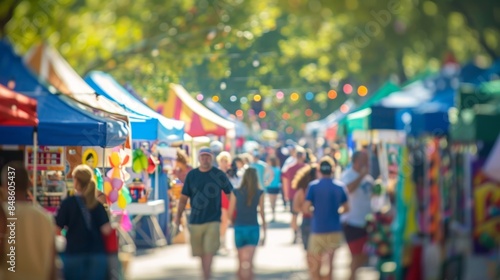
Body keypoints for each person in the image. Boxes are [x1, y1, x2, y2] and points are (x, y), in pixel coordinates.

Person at [174, 147, 233, 280]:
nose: (205, 159)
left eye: (208, 156)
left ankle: (207, 276)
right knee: (200, 253)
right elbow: (183, 199)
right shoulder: (192, 175)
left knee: (210, 251)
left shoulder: (218, 174)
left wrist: (234, 213)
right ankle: (205, 274)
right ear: (199, 158)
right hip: (195, 220)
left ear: (212, 158)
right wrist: (178, 217)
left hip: (213, 219)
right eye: (203, 156)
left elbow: (230, 194)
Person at [0, 161, 57, 280]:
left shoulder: (3, 214)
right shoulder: (45, 217)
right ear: (28, 185)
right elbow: (52, 264)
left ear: (5, 186)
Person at [55, 164, 113, 280]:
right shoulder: (97, 204)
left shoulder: (68, 203)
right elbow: (106, 230)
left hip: (74, 253)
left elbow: (56, 229)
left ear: (76, 181)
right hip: (96, 254)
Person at [303, 157, 349, 280]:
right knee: (331, 264)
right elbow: (347, 208)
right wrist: (336, 212)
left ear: (319, 170)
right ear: (332, 170)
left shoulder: (313, 186)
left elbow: (306, 207)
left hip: (318, 229)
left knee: (316, 264)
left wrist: (315, 212)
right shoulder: (340, 186)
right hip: (334, 228)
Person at [340, 150, 374, 280]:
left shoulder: (368, 178)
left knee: (365, 255)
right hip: (352, 222)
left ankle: (352, 276)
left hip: (366, 222)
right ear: (355, 161)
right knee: (356, 255)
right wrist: (360, 176)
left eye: (367, 160)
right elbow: (347, 190)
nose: (366, 163)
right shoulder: (348, 175)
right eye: (363, 160)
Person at [228, 168, 266, 280]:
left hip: (239, 227)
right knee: (250, 264)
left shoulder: (236, 192)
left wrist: (234, 223)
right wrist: (265, 231)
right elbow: (262, 213)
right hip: (253, 227)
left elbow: (230, 213)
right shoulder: (260, 193)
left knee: (240, 264)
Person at [282, 148, 306, 244]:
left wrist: (286, 194)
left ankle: (295, 234)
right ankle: (302, 233)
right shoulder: (307, 167)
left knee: (294, 215)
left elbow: (285, 181)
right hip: (305, 195)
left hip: (292, 195)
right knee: (304, 214)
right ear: (303, 156)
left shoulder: (289, 168)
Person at [292, 163, 318, 251]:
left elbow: (295, 207)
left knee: (308, 250)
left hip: (306, 221)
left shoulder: (301, 190)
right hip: (318, 222)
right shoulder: (319, 189)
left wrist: (304, 210)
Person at [216, 151, 233, 255]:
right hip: (218, 199)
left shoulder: (231, 173)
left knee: (226, 222)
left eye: (226, 161)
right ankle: (220, 243)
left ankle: (223, 242)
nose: (224, 163)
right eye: (222, 160)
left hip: (228, 199)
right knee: (221, 221)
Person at [264, 156, 281, 222]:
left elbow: (266, 178)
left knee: (272, 202)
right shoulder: (278, 169)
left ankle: (273, 215)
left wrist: (265, 183)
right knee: (274, 202)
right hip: (276, 186)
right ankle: (274, 215)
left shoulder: (269, 169)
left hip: (271, 186)